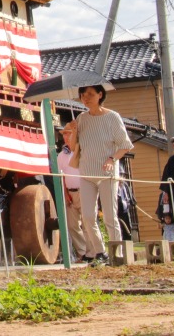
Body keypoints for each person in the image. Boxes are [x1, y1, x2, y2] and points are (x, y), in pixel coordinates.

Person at [67, 84, 133, 267]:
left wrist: (112, 159)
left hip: (107, 174)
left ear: (100, 94)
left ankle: (117, 253)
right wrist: (73, 131)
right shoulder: (81, 118)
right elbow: (73, 147)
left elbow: (125, 145)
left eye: (90, 94)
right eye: (82, 95)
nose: (85, 98)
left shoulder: (112, 117)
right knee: (88, 216)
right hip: (86, 173)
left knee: (110, 216)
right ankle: (100, 252)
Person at [56, 140, 88, 262]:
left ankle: (93, 252)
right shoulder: (61, 155)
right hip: (70, 192)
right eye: (64, 134)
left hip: (84, 190)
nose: (66, 136)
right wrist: (65, 193)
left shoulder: (84, 149)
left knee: (88, 222)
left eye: (69, 133)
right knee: (72, 225)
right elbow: (61, 176)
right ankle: (83, 252)